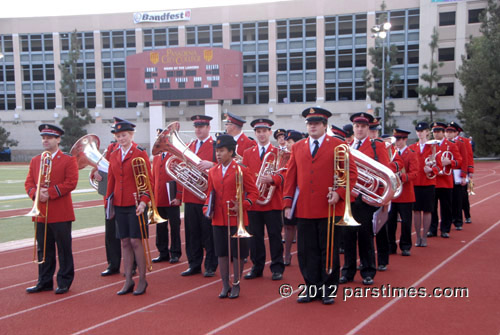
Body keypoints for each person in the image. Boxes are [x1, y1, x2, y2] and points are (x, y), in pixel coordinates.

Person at [283, 107, 357, 305]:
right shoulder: (297, 147)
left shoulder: (338, 145)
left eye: (316, 123)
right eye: (309, 123)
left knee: (329, 250)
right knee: (307, 251)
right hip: (305, 208)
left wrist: (339, 193)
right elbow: (290, 177)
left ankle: (328, 289)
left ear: (325, 125)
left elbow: (351, 174)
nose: (312, 126)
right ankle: (311, 287)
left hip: (329, 208)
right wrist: (288, 203)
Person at [25, 124, 78, 294]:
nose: (45, 140)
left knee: (63, 249)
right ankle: (44, 281)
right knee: (44, 249)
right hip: (41, 212)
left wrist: (50, 193)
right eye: (43, 137)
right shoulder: (35, 160)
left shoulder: (68, 159)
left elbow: (71, 182)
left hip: (61, 212)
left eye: (49, 137)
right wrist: (36, 194)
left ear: (58, 139)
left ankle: (64, 281)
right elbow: (28, 183)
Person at [204, 134, 259, 299]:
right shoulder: (213, 171)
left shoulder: (242, 169)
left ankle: (236, 283)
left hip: (237, 217)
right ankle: (224, 284)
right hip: (219, 217)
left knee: (238, 252)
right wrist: (207, 207)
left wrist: (243, 204)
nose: (218, 154)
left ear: (231, 151)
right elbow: (209, 194)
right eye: (217, 151)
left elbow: (254, 192)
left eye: (221, 151)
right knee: (221, 252)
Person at [340, 112, 390, 286]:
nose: (359, 129)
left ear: (368, 129)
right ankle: (347, 271)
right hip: (348, 199)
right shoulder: (346, 146)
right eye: (357, 126)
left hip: (365, 198)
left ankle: (368, 271)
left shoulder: (377, 147)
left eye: (363, 126)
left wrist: (380, 199)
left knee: (365, 236)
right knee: (347, 237)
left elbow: (386, 173)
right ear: (353, 128)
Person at [106, 118, 151, 295]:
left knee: (135, 241)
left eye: (123, 135)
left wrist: (144, 201)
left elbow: (148, 179)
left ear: (131, 135)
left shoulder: (140, 153)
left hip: (136, 204)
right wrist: (109, 203)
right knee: (124, 241)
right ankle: (128, 280)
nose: (121, 138)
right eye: (118, 136)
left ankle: (142, 279)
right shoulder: (114, 154)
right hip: (119, 202)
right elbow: (112, 179)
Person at [243, 119, 285, 281]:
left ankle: (277, 267)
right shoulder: (248, 153)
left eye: (264, 131)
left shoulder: (278, 152)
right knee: (255, 237)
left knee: (275, 236)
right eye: (258, 131)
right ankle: (257, 267)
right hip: (254, 202)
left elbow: (285, 174)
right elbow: (245, 175)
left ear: (269, 132)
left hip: (272, 201)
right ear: (255, 133)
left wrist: (273, 178)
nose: (261, 134)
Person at [181, 115, 218, 277]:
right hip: (190, 195)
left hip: (206, 196)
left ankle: (210, 265)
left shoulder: (216, 145)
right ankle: (194, 264)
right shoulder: (189, 146)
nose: (198, 129)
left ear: (208, 127)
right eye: (196, 127)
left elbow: (227, 166)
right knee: (192, 233)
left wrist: (213, 165)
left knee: (208, 233)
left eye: (201, 126)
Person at [93, 118, 122, 277]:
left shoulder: (134, 150)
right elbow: (97, 169)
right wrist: (96, 174)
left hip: (125, 199)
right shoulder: (109, 149)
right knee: (110, 234)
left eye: (121, 133)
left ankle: (132, 265)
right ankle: (113, 264)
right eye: (116, 133)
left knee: (127, 234)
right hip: (109, 199)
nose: (118, 136)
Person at [151, 128, 182, 265]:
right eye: (158, 138)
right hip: (159, 198)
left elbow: (181, 177)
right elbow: (153, 178)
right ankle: (162, 252)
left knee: (174, 227)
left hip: (172, 198)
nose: (159, 141)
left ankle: (175, 253)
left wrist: (179, 196)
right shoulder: (157, 157)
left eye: (162, 138)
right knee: (160, 227)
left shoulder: (175, 155)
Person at [386, 129, 418, 256]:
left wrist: (401, 177)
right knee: (390, 222)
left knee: (406, 222)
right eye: (395, 139)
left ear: (405, 139)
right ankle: (391, 246)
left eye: (399, 139)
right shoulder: (391, 153)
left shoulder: (411, 154)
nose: (397, 142)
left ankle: (405, 246)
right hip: (392, 194)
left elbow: (414, 173)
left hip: (405, 194)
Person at [428, 122, 462, 238]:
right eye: (434, 132)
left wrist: (449, 162)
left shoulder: (451, 145)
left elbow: (459, 161)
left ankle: (445, 229)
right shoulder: (430, 145)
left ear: (443, 132)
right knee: (432, 207)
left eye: (438, 132)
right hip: (433, 180)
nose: (436, 134)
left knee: (446, 207)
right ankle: (432, 229)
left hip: (446, 181)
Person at [409, 122, 439, 247]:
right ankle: (418, 236)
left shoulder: (433, 147)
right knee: (416, 211)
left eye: (422, 131)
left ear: (427, 132)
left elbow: (439, 165)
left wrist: (432, 170)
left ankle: (425, 236)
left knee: (427, 211)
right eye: (418, 131)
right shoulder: (412, 147)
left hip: (428, 183)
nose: (420, 133)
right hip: (415, 183)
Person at [282, 130, 303, 265]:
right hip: (289, 194)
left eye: (290, 142)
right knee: (288, 226)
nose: (288, 145)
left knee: (301, 227)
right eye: (287, 142)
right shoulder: (285, 156)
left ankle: (301, 253)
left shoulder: (302, 154)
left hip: (301, 194)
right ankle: (287, 253)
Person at [445, 122, 468, 231]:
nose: (449, 134)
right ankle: (450, 219)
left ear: (455, 133)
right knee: (448, 199)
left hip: (457, 173)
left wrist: (464, 175)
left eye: (451, 132)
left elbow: (464, 159)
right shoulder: (443, 144)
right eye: (447, 132)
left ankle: (458, 221)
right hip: (447, 173)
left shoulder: (460, 143)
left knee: (458, 199)